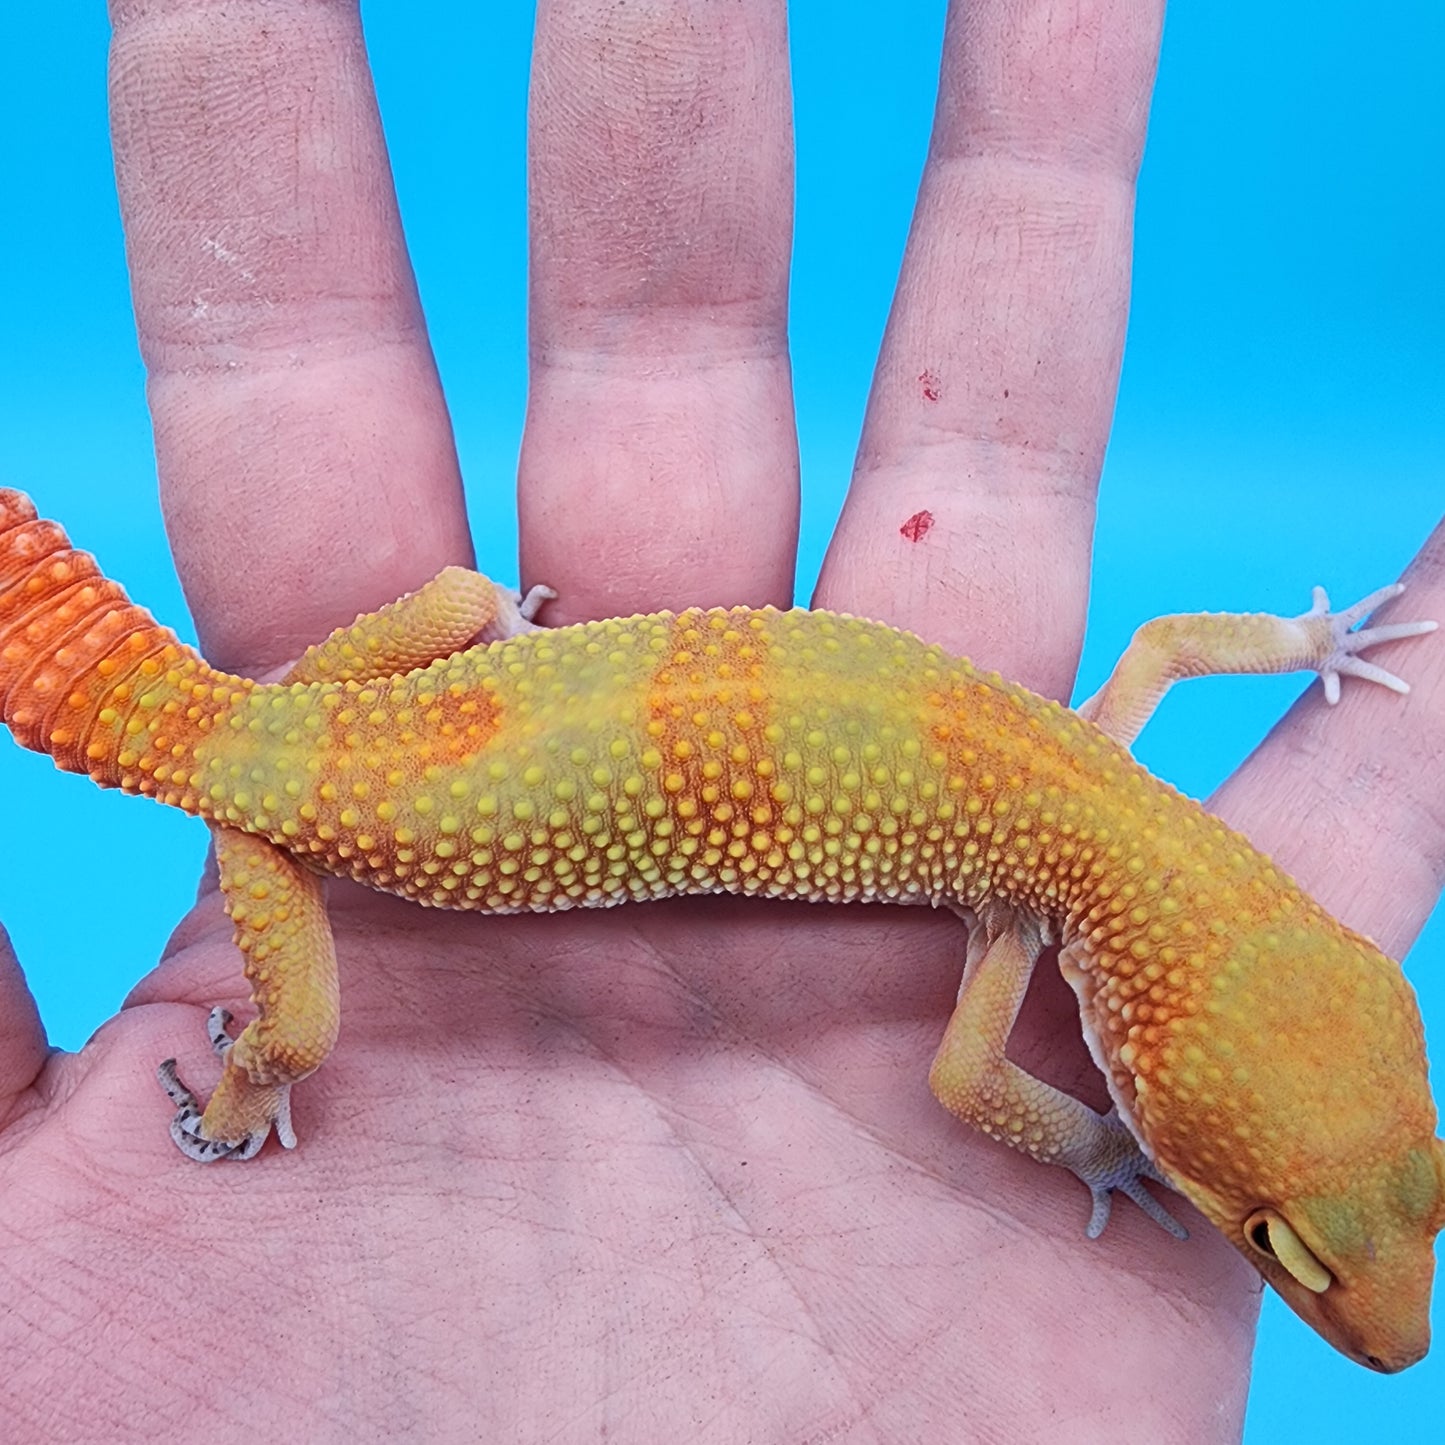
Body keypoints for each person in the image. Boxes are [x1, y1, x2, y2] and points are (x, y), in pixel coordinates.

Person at [1, 3, 1440, 1437]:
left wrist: (1303, 639)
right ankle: (257, 1090)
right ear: (1139, 1046)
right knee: (301, 1031)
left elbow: (1168, 642)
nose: (1383, 1324)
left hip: (383, 689)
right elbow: (967, 1082)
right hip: (278, 801)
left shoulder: (1091, 753)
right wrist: (1101, 1146)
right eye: (1270, 1240)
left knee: (453, 596)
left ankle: (477, 623)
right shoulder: (1032, 894)